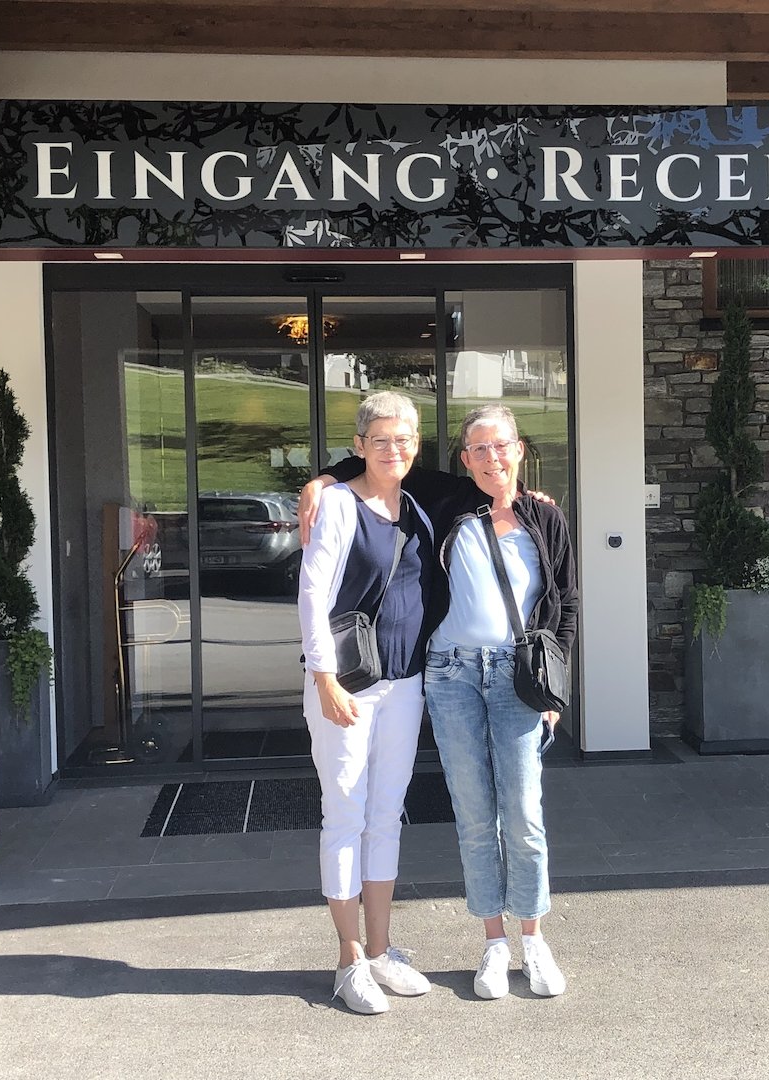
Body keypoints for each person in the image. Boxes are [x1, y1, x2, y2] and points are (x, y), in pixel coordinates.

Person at [302, 403, 579, 1000]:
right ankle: (492, 943)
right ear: (463, 459)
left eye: (500, 446)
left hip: (514, 678)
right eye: (478, 449)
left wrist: (555, 688)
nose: (491, 458)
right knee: (474, 817)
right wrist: (321, 479)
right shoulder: (450, 499)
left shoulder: (545, 516)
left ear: (520, 450)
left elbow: (566, 602)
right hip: (451, 674)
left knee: (524, 815)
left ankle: (533, 941)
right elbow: (382, 457)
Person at [297, 391, 437, 1015]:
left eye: (403, 439)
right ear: (358, 446)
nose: (392, 449)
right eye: (379, 440)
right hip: (348, 685)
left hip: (405, 683)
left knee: (386, 815)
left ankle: (381, 951)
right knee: (345, 814)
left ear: (416, 445)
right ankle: (349, 958)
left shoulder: (416, 505)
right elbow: (312, 594)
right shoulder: (337, 504)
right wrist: (323, 677)